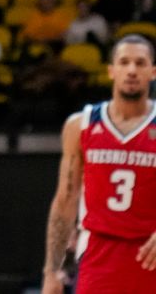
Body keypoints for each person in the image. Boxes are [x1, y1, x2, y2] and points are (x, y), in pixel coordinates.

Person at [42, 34, 156, 293]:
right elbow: (65, 201)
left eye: (140, 63)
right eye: (124, 62)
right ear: (111, 70)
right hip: (99, 255)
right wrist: (51, 271)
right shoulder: (81, 124)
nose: (131, 70)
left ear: (153, 72)